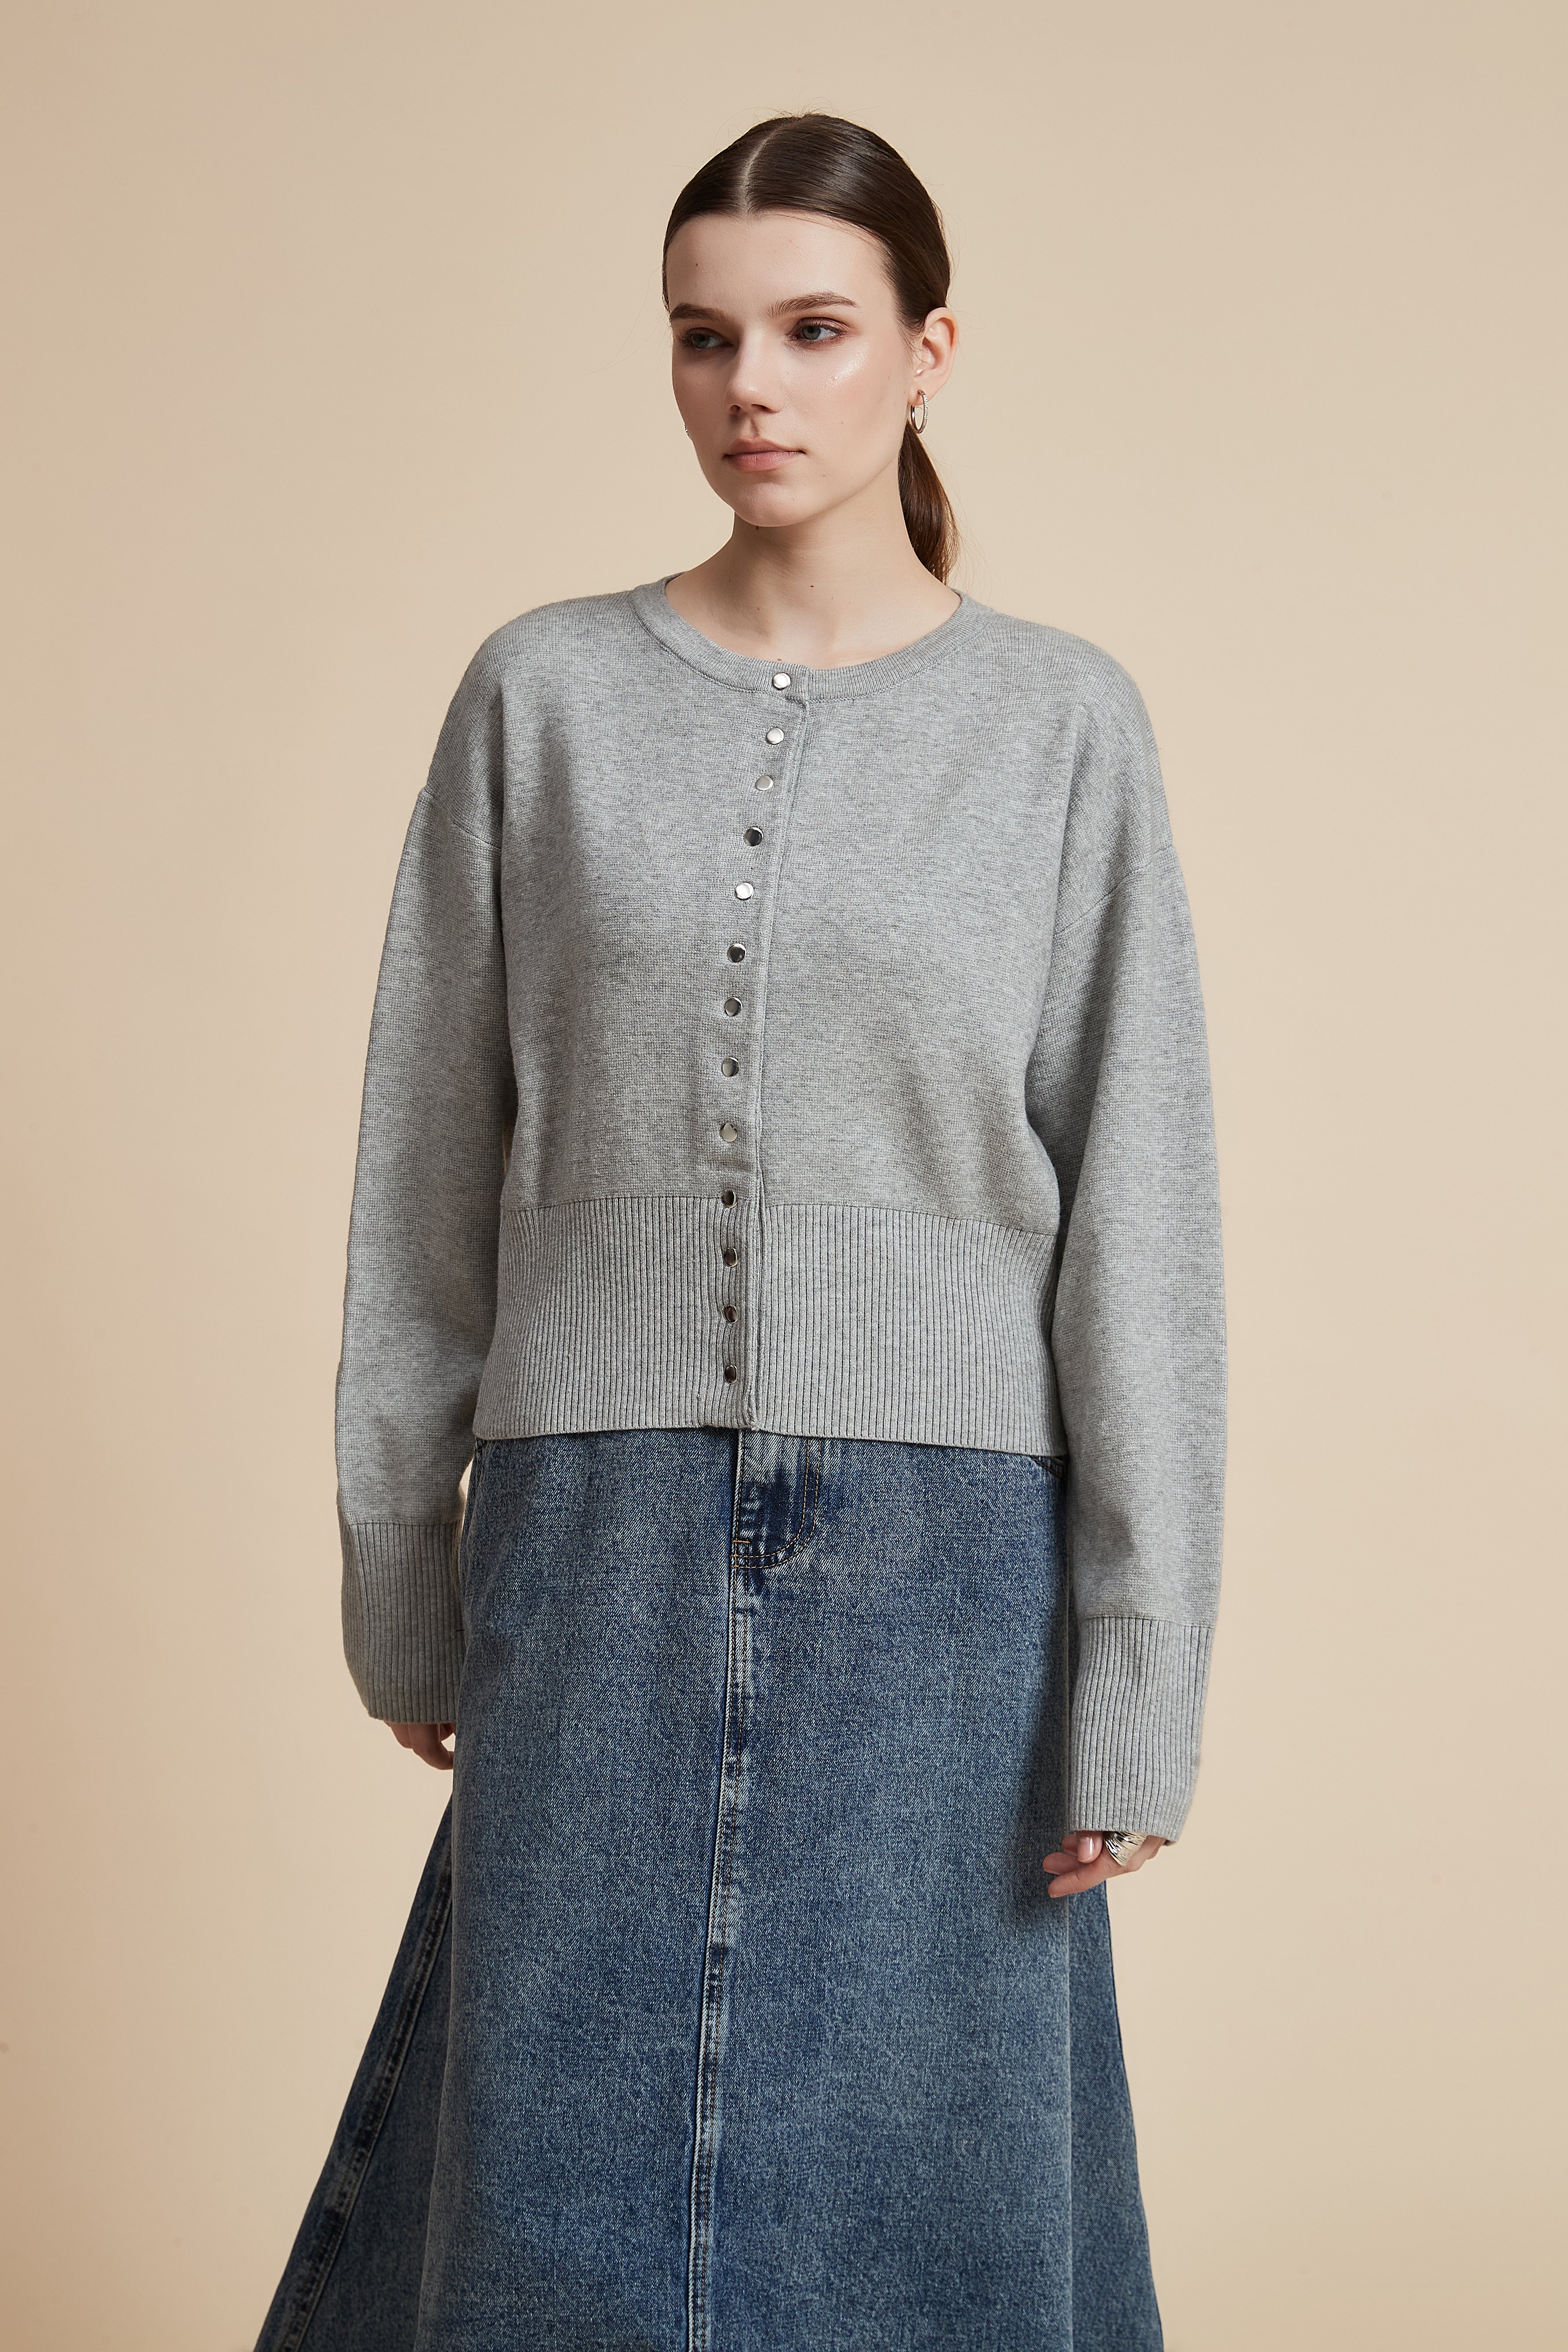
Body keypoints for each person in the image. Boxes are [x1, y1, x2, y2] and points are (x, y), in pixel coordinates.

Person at [255, 111, 1225, 2352]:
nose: (752, 390)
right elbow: (424, 1174)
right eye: (705, 339)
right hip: (589, 1535)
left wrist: (1135, 1665)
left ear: (928, 352)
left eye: (812, 331)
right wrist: (406, 1574)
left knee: (933, 2185)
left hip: (953, 1576)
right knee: (559, 2184)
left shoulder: (1061, 726)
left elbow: (1142, 1225)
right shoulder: (541, 697)